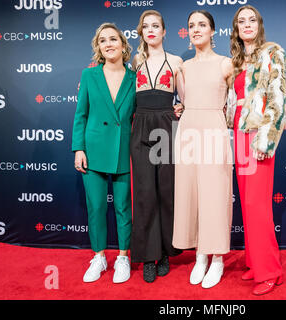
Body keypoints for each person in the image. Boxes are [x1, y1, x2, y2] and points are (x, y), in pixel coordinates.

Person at [227, 5, 286, 295]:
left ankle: (270, 272)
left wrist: (266, 140)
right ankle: (255, 263)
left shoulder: (272, 53)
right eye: (242, 21)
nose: (247, 24)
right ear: (236, 28)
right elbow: (237, 103)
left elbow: (277, 100)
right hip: (239, 138)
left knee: (257, 205)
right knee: (248, 205)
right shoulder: (239, 60)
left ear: (259, 25)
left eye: (252, 19)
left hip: (259, 138)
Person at [172, 10, 233, 289]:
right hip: (187, 131)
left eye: (202, 25)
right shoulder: (183, 67)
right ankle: (199, 255)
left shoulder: (226, 64)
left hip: (214, 130)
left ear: (213, 31)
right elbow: (184, 101)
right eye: (191, 25)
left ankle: (217, 257)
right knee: (191, 194)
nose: (196, 29)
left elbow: (234, 104)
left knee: (216, 195)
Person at [71, 22, 136, 284]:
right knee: (96, 207)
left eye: (113, 39)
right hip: (93, 149)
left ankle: (123, 257)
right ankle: (98, 256)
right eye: (102, 40)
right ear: (98, 47)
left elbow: (143, 114)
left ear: (123, 44)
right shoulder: (89, 76)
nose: (108, 44)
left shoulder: (135, 77)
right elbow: (81, 115)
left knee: (123, 207)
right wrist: (78, 149)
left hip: (124, 150)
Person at [130, 10, 184, 283]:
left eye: (156, 26)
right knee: (144, 191)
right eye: (146, 26)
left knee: (165, 189)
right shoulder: (135, 61)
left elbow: (185, 98)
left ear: (164, 31)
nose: (150, 30)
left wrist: (180, 107)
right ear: (141, 32)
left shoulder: (175, 61)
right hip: (140, 124)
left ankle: (164, 251)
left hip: (165, 125)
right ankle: (148, 256)